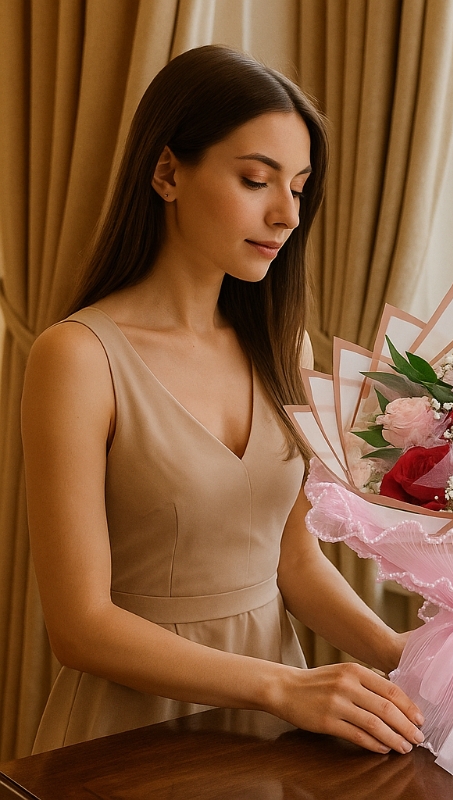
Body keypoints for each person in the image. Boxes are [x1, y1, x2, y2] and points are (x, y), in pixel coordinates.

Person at [21, 44, 424, 756]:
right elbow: (78, 626)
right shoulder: (78, 357)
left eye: (298, 189)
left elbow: (293, 561)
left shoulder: (283, 348)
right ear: (169, 172)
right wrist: (278, 687)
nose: (286, 215)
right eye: (255, 180)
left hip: (281, 731)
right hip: (131, 733)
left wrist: (406, 660)